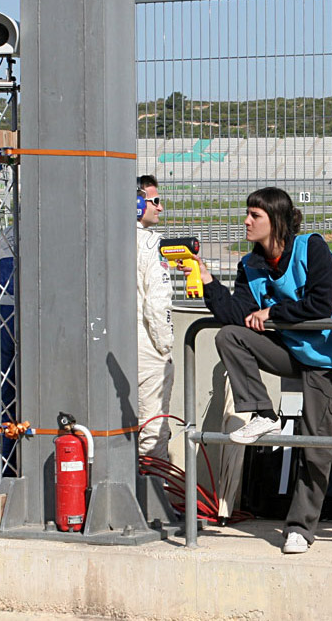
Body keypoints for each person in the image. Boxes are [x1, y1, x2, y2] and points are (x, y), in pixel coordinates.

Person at [191, 186, 332, 555]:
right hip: (290, 352)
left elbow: (320, 303)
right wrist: (208, 281)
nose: (246, 221)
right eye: (247, 214)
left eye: (255, 216)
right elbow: (236, 317)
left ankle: (299, 528)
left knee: (315, 448)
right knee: (230, 337)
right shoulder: (250, 264)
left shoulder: (312, 248)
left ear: (276, 220)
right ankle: (263, 412)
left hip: (330, 360)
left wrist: (273, 314)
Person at [136, 174, 174, 460]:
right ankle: (154, 497)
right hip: (147, 346)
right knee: (153, 427)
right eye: (155, 201)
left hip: (105, 342)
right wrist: (166, 346)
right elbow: (157, 305)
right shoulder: (151, 244)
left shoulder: (99, 238)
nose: (160, 208)